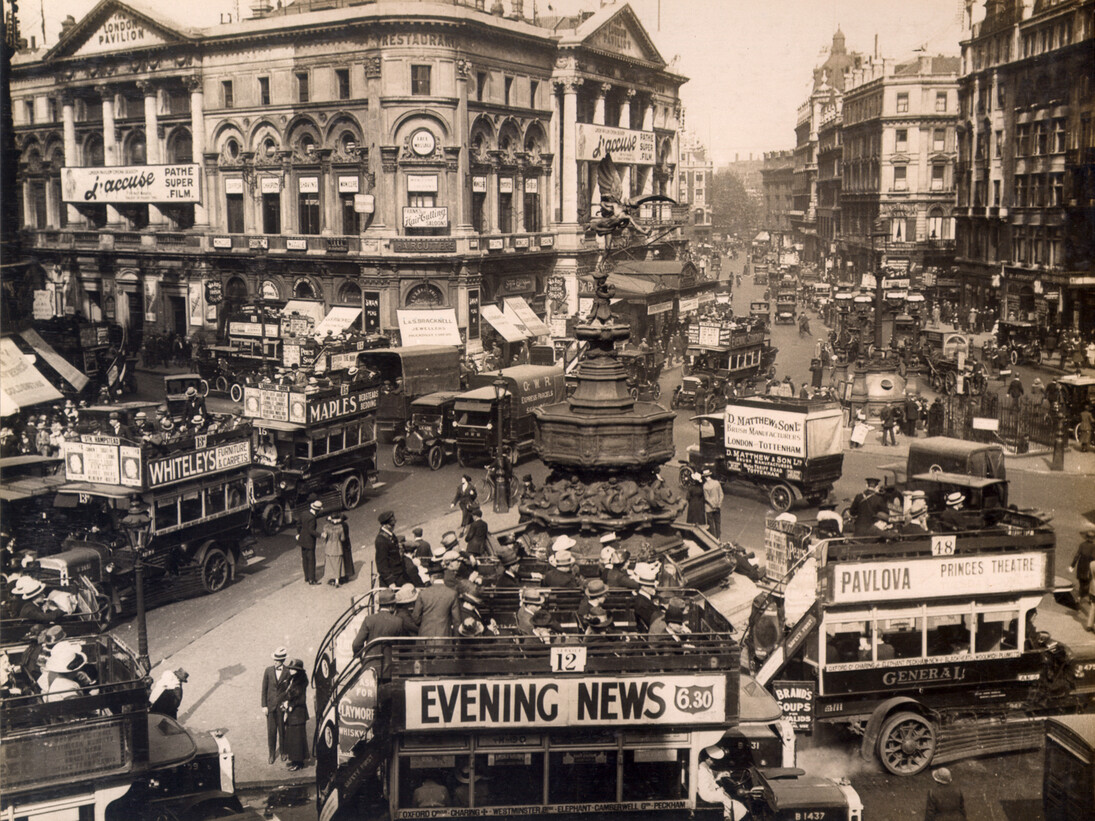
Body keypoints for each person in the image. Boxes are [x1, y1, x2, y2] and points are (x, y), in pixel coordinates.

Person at [351, 589, 405, 673]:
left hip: (370, 666)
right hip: (390, 668)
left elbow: (356, 644)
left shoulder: (369, 619)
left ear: (379, 605)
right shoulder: (398, 621)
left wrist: (358, 655)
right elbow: (401, 645)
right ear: (392, 606)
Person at [413, 561, 460, 638]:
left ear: (432, 577)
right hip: (444, 636)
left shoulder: (423, 594)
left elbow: (416, 618)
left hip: (425, 636)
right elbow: (456, 621)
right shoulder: (452, 594)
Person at [261, 647, 290, 764]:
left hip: (281, 707)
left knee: (282, 731)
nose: (275, 662)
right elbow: (264, 689)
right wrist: (264, 706)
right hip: (270, 707)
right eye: (274, 660)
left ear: (282, 661)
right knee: (271, 731)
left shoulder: (287, 672)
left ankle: (283, 752)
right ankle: (271, 754)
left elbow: (289, 690)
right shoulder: (268, 671)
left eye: (277, 660)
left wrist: (287, 703)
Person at [281, 659, 309, 772]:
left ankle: (298, 763)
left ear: (298, 671)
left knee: (297, 739)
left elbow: (301, 699)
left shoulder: (301, 683)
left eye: (294, 669)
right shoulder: (292, 680)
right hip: (293, 714)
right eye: (291, 669)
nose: (291, 671)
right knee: (293, 738)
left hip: (298, 714)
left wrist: (290, 704)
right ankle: (295, 761)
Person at [1069, 529, 1095, 633]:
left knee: (1081, 584)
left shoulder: (1081, 545)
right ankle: (1088, 598)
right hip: (1089, 569)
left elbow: (1076, 556)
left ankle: (1079, 598)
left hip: (1081, 567)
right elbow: (1093, 558)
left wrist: (1072, 565)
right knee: (1088, 583)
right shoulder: (1093, 547)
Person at [374, 510, 405, 588]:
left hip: (398, 573)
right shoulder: (381, 540)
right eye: (391, 525)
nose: (394, 526)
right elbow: (381, 564)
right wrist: (390, 582)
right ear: (384, 525)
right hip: (392, 579)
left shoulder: (390, 534)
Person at [321, 511, 352, 587]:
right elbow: (343, 538)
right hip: (337, 547)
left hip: (329, 547)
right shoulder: (340, 527)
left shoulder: (326, 527)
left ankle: (332, 578)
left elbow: (324, 537)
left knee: (330, 563)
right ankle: (337, 580)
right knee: (338, 563)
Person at [297, 498, 322, 586]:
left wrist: (299, 534)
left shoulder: (304, 513)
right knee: (311, 560)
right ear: (317, 510)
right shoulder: (312, 518)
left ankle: (306, 577)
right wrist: (320, 535)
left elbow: (298, 524)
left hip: (302, 540)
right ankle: (312, 579)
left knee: (305, 559)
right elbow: (311, 531)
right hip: (309, 541)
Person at [631, 563, 662, 633]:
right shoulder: (642, 603)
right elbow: (653, 621)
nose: (654, 589)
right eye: (651, 586)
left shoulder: (642, 599)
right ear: (643, 587)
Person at [702, 470, 724, 539]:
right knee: (718, 523)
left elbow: (707, 498)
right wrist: (719, 504)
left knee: (711, 524)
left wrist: (712, 505)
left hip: (709, 508)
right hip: (718, 507)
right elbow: (721, 495)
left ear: (705, 477)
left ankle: (713, 538)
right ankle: (718, 537)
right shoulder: (717, 483)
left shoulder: (705, 486)